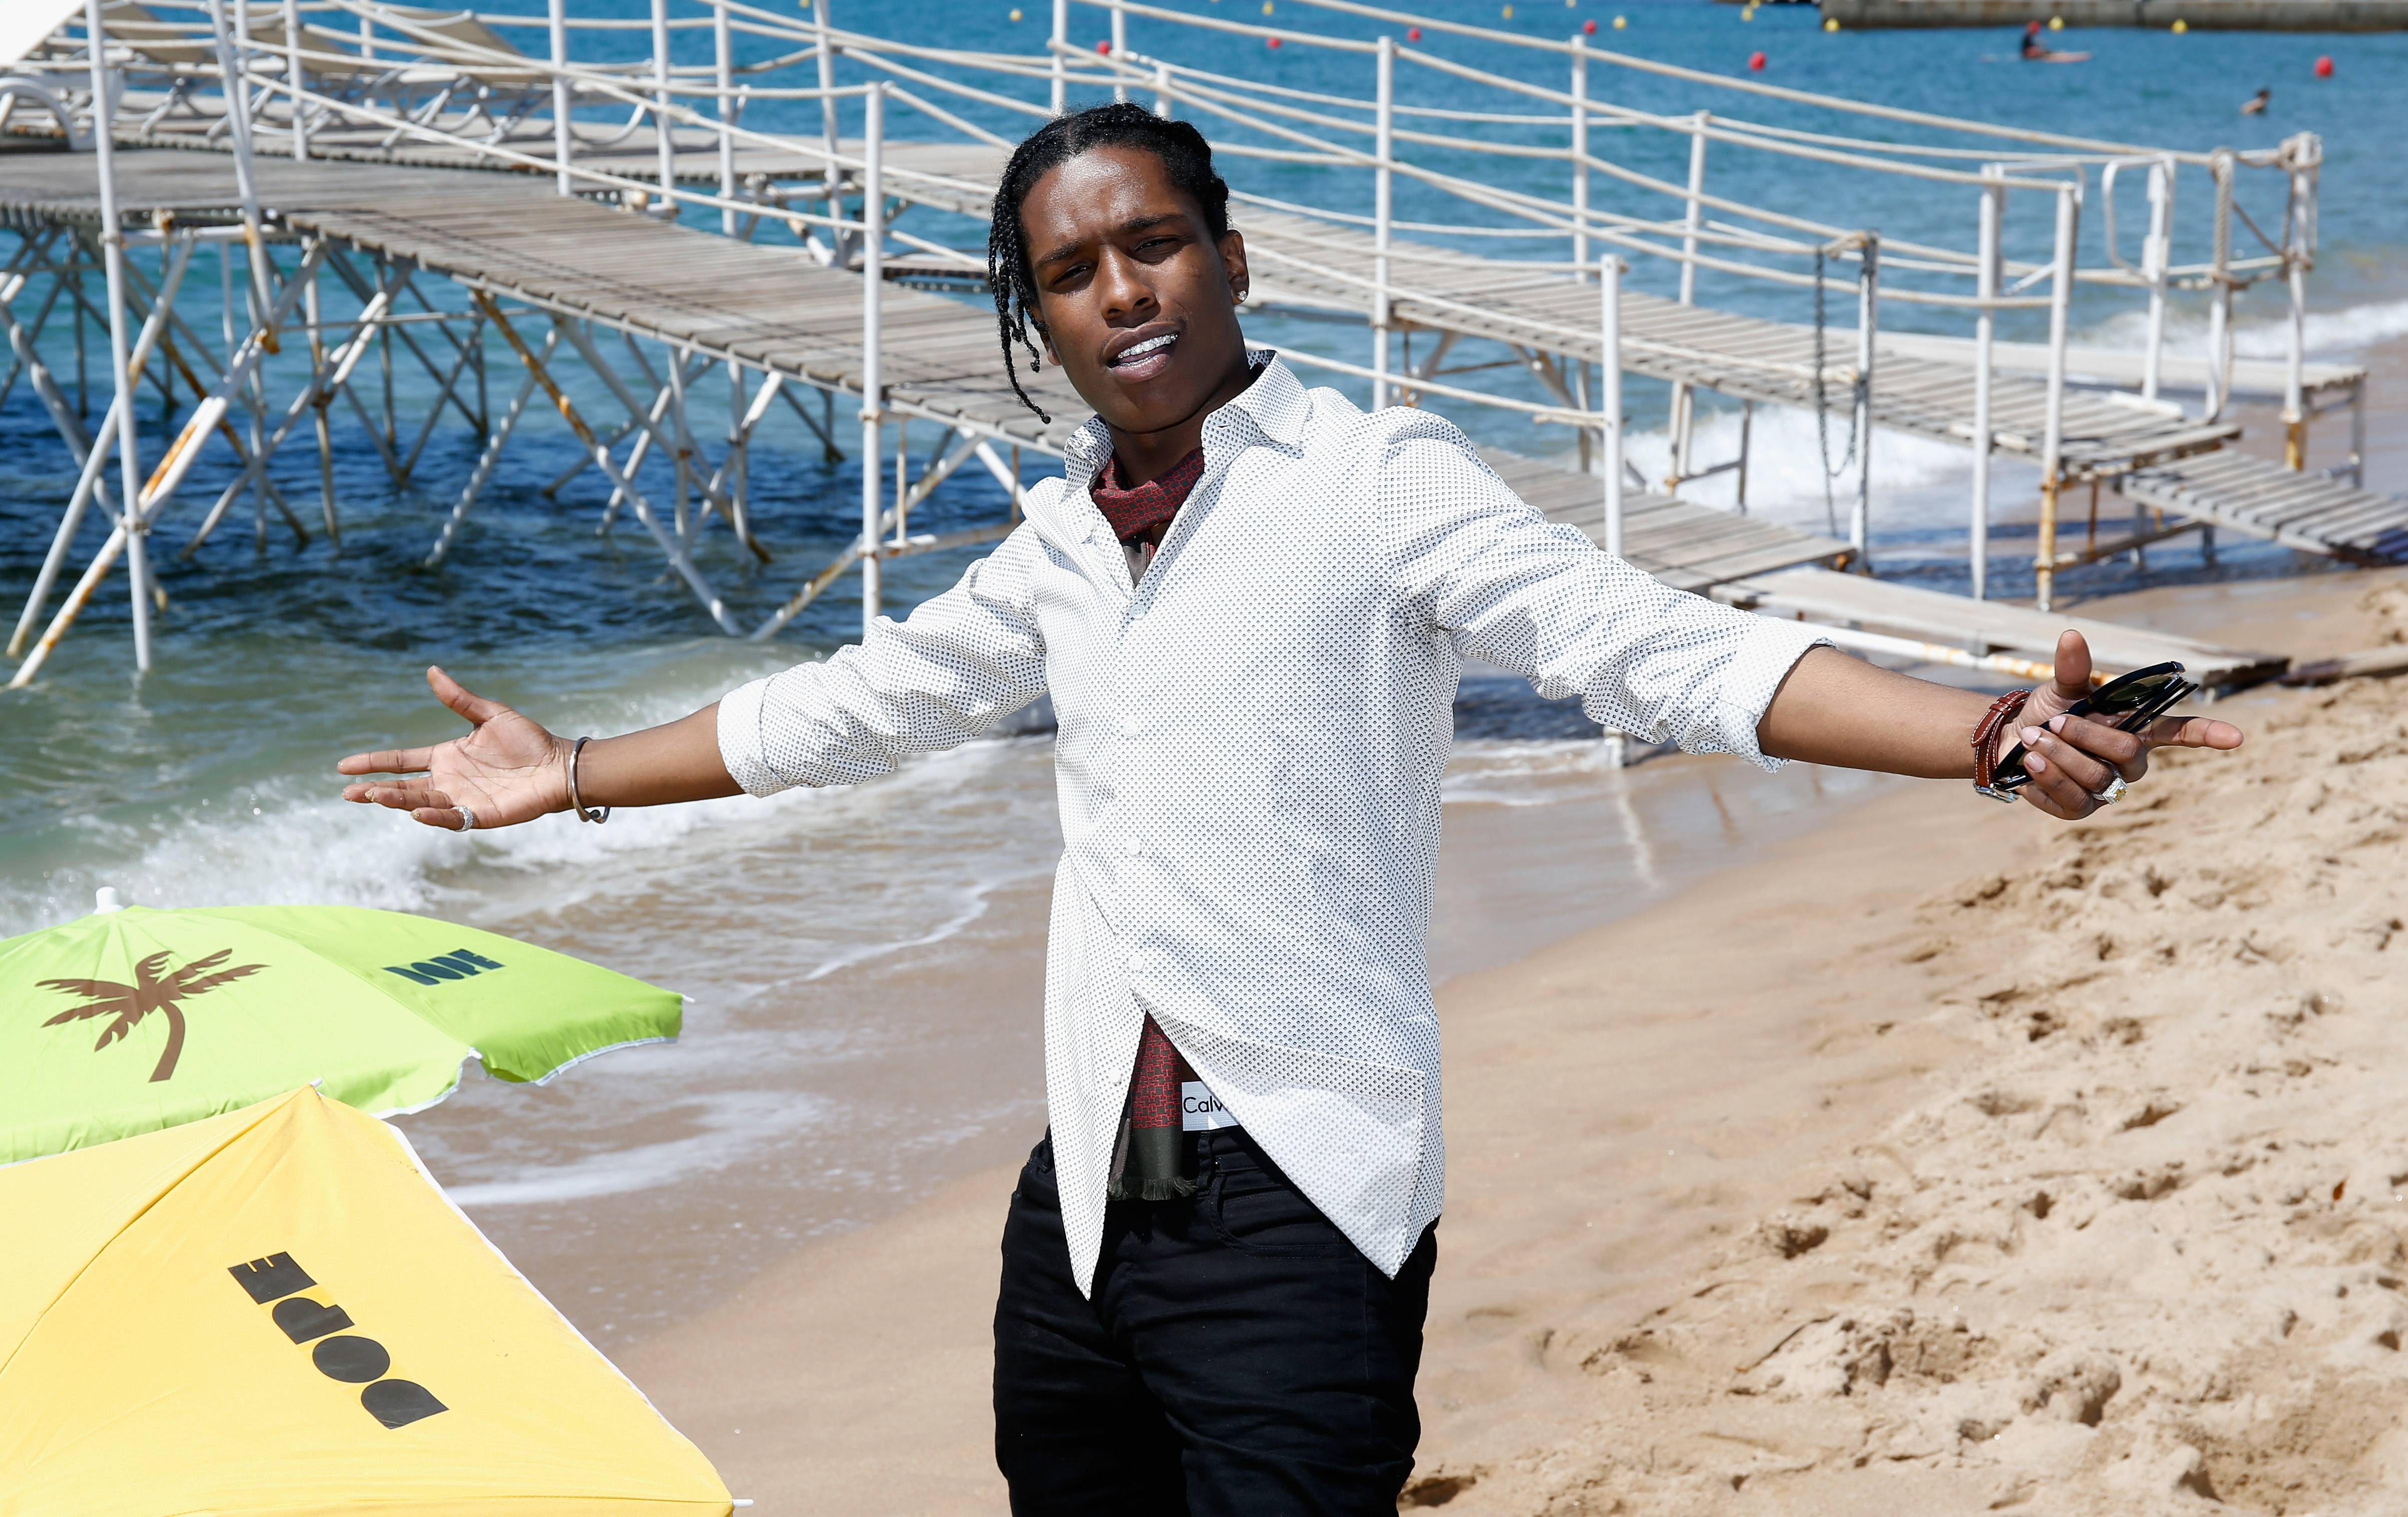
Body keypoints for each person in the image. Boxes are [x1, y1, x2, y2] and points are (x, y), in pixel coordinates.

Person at [339, 105, 2244, 1515]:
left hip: (1302, 1192)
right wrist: (566, 780)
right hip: (1084, 1198)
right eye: (1072, 274)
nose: (1120, 293)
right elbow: (852, 710)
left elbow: (1650, 648)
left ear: (1229, 254)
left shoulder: (1371, 482)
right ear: (1041, 319)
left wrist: (1984, 735)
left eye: (1149, 245)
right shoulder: (1057, 547)